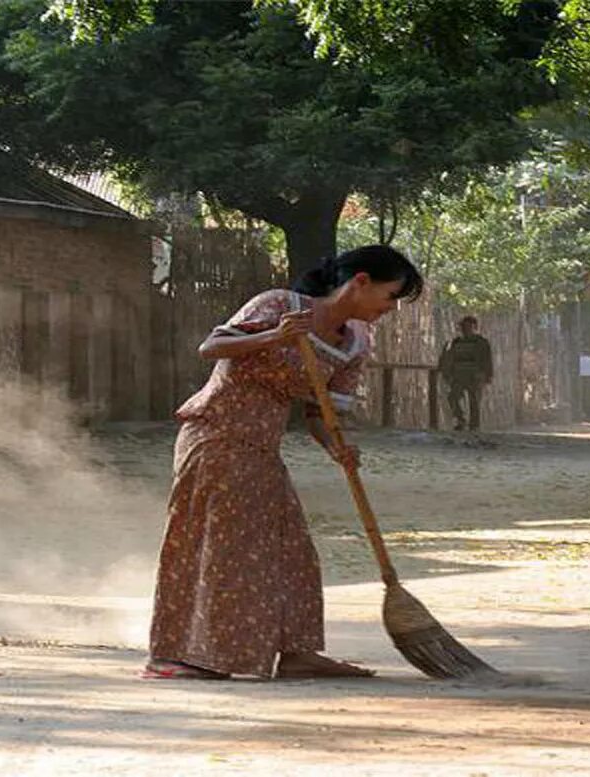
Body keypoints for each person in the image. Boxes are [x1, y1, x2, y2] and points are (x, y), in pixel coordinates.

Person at [144, 245, 424, 680]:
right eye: (390, 296)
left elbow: (321, 412)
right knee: (227, 547)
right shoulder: (279, 305)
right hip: (216, 435)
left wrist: (338, 449)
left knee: (292, 547)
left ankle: (297, 652)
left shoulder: (355, 344)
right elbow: (212, 347)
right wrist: (274, 336)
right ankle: (190, 656)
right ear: (361, 281)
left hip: (262, 447)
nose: (391, 308)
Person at [439, 316, 493, 431]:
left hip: (475, 376)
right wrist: (447, 373)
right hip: (458, 375)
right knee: (453, 397)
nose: (465, 329)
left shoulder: (481, 342)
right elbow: (448, 358)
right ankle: (461, 420)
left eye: (468, 326)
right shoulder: (455, 342)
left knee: (474, 401)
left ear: (474, 327)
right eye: (463, 326)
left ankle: (474, 425)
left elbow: (487, 360)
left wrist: (487, 375)